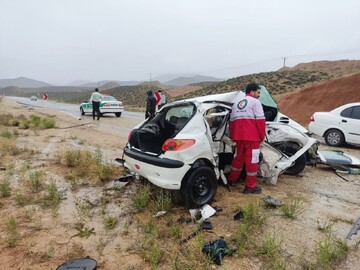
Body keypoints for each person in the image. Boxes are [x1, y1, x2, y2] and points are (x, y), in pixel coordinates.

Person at [227, 83, 266, 194]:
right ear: (252, 92)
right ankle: (250, 187)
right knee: (252, 162)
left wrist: (233, 137)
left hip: (239, 138)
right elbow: (260, 121)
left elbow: (232, 123)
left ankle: (231, 180)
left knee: (238, 159)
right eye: (258, 92)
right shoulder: (256, 102)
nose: (259, 95)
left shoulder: (236, 104)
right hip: (252, 138)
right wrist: (262, 136)